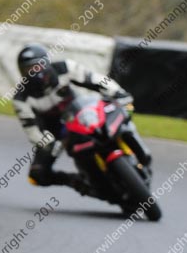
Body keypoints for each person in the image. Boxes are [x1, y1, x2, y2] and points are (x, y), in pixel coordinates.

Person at [12, 44, 152, 197]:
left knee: (119, 115)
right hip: (55, 133)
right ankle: (79, 182)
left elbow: (95, 79)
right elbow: (31, 129)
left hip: (82, 114)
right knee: (37, 175)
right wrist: (48, 143)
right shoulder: (21, 98)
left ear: (45, 63)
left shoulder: (64, 68)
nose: (33, 72)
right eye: (27, 69)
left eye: (36, 67)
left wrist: (118, 94)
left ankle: (140, 152)